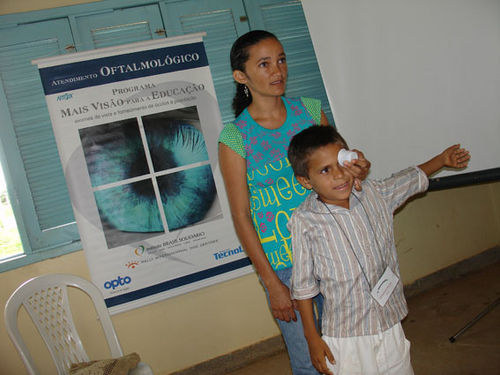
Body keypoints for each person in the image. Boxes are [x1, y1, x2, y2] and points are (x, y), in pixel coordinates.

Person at [218, 30, 370, 374]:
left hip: (334, 249)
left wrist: (359, 168)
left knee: (352, 346)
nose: (278, 70)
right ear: (241, 76)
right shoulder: (234, 137)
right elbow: (242, 216)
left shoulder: (312, 111)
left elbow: (344, 173)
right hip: (285, 264)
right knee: (310, 360)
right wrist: (272, 283)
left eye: (281, 60)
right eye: (264, 64)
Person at [287, 125, 470, 375]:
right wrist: (312, 337)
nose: (339, 176)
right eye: (325, 170)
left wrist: (441, 160)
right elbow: (303, 287)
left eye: (342, 164)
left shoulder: (375, 194)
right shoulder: (305, 221)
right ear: (305, 181)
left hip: (389, 322)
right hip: (346, 336)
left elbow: (407, 179)